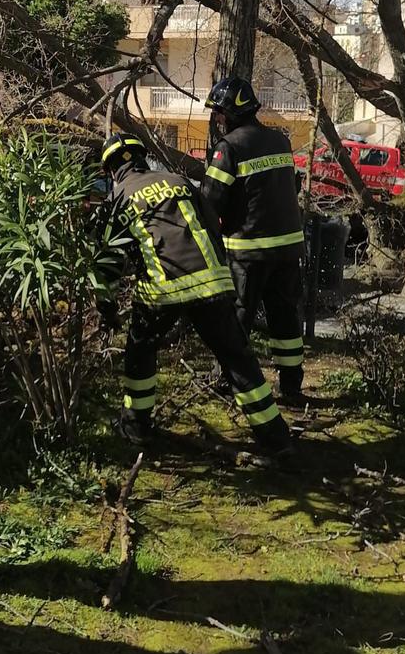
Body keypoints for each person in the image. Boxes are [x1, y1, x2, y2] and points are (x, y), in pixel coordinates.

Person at [100, 134, 292, 458]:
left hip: (161, 290)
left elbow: (107, 260)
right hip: (211, 284)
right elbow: (212, 225)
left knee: (140, 355)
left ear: (111, 169)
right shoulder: (178, 181)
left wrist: (106, 307)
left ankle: (136, 428)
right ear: (141, 157)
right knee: (238, 361)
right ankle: (276, 440)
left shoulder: (118, 199)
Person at [201, 77, 306, 405]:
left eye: (219, 113)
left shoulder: (228, 148)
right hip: (289, 249)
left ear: (231, 113)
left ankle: (230, 380)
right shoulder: (280, 140)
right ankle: (290, 388)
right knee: (286, 319)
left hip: (249, 251)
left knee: (238, 319)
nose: (217, 119)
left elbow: (209, 202)